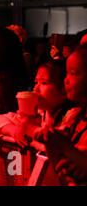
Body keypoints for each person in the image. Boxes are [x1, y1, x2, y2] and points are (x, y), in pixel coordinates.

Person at [0, 61, 72, 147]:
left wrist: (31, 128)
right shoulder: (39, 113)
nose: (36, 88)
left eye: (44, 83)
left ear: (64, 90)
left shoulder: (71, 117)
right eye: (36, 82)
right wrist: (15, 131)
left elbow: (55, 144)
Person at [40, 46, 87, 185]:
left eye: (73, 73)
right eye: (66, 73)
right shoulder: (76, 116)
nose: (66, 80)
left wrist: (65, 148)